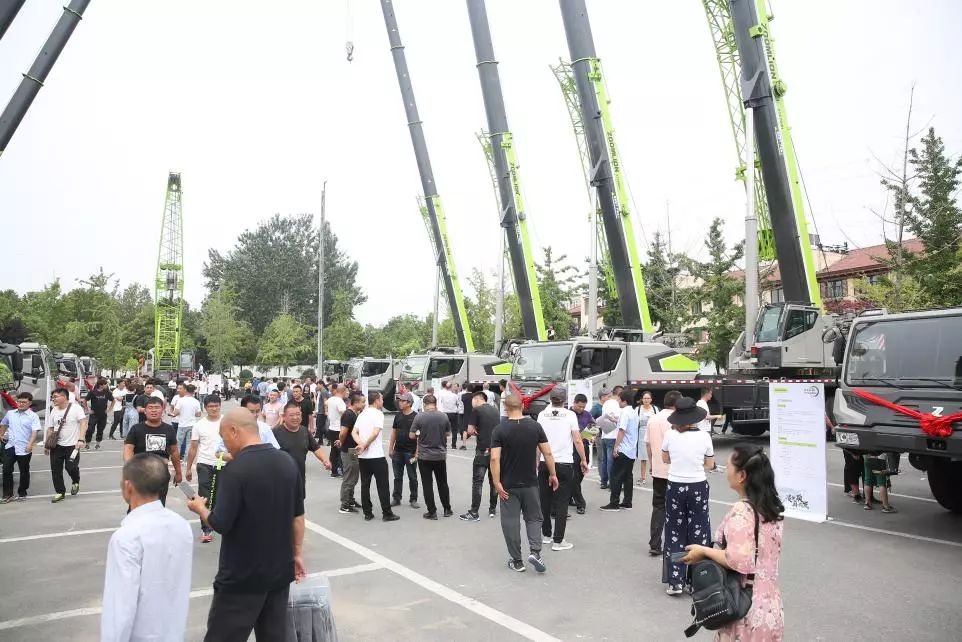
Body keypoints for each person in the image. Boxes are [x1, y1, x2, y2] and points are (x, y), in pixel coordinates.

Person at [186, 408, 306, 641]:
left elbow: (221, 523)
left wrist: (200, 508)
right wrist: (297, 554)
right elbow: (298, 517)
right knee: (273, 636)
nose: (225, 445)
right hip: (279, 572)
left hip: (242, 577)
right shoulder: (287, 462)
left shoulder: (236, 470)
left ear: (234, 431)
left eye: (224, 438)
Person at [680, 445, 785, 640]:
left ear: (742, 476)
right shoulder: (771, 510)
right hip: (771, 606)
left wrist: (703, 551)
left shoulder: (742, 511)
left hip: (745, 606)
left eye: (728, 466)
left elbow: (737, 559)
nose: (726, 470)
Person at [101, 454, 192, 641]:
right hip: (173, 634)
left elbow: (119, 610)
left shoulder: (127, 537)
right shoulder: (182, 525)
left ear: (128, 486)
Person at [491, 394, 557, 573]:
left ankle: (517, 561)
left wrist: (496, 482)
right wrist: (553, 474)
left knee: (510, 521)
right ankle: (535, 552)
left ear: (505, 408)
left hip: (508, 484)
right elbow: (547, 453)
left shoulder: (499, 429)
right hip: (530, 482)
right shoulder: (535, 426)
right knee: (534, 518)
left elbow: (495, 458)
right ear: (523, 406)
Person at [661, 396, 715, 595]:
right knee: (698, 532)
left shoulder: (670, 434)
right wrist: (695, 464)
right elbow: (710, 464)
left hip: (675, 485)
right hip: (698, 485)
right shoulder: (704, 436)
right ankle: (696, 579)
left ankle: (676, 580)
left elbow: (665, 458)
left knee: (675, 531)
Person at [536, 388, 587, 550]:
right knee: (562, 501)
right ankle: (558, 540)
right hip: (564, 462)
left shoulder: (542, 415)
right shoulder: (570, 415)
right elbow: (577, 440)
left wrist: (537, 461)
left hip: (545, 461)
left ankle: (546, 535)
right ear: (565, 400)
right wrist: (583, 459)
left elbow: (538, 441)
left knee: (544, 500)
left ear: (550, 399)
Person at [124, 397, 182, 505]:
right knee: (138, 506)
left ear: (163, 410)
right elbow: (128, 449)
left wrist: (178, 472)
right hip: (140, 473)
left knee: (159, 505)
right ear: (145, 411)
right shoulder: (136, 429)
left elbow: (174, 452)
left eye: (157, 407)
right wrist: (130, 470)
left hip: (161, 474)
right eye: (150, 408)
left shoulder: (169, 429)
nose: (154, 410)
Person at [185, 396, 227, 543]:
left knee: (220, 495)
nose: (214, 408)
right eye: (210, 406)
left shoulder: (226, 421)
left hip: (223, 463)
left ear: (220, 406)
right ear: (205, 408)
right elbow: (193, 447)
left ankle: (220, 521)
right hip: (204, 464)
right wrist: (188, 468)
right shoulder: (199, 425)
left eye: (216, 405)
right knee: (205, 495)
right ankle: (206, 528)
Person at [353, 391, 399, 522]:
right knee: (382, 485)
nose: (383, 402)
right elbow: (375, 432)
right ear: (377, 400)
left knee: (365, 485)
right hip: (377, 456)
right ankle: (387, 513)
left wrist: (361, 444)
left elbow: (354, 432)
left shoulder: (362, 414)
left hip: (363, 458)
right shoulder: (378, 414)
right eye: (382, 399)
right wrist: (365, 444)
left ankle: (367, 513)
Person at [645, 390, 680, 556]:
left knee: (658, 506)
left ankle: (655, 543)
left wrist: (652, 463)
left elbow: (648, 444)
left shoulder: (653, 419)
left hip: (658, 470)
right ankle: (674, 543)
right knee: (676, 508)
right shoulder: (678, 419)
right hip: (676, 471)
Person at [273, 402, 332, 499]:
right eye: (291, 415)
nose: (295, 417)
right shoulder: (276, 433)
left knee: (299, 504)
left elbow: (315, 448)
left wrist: (325, 460)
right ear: (284, 417)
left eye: (298, 414)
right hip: (281, 480)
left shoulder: (304, 431)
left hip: (299, 478)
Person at [460, 390, 501, 521]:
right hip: (496, 450)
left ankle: (474, 512)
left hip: (482, 450)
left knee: (478, 481)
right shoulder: (495, 410)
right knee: (494, 480)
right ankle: (492, 508)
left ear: (477, 399)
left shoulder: (476, 410)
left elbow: (470, 430)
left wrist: (475, 432)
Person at [410, 394, 453, 520]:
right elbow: (448, 433)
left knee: (427, 484)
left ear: (424, 404)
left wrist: (420, 433)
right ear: (435, 404)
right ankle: (447, 509)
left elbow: (411, 435)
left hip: (424, 456)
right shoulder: (443, 416)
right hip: (440, 455)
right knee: (442, 483)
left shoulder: (419, 417)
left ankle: (432, 512)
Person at [45, 387, 87, 503]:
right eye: (52, 397)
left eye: (55, 397)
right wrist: (47, 445)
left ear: (64, 396)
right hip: (56, 446)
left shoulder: (76, 408)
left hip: (73, 446)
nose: (53, 399)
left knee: (71, 467)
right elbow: (50, 428)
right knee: (56, 470)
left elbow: (83, 423)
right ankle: (60, 492)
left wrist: (81, 439)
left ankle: (75, 481)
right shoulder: (54, 410)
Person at [600, 390, 638, 511]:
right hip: (631, 449)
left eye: (619, 400)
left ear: (624, 401)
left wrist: (616, 447)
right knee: (628, 476)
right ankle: (627, 502)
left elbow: (622, 430)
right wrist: (614, 420)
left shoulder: (624, 412)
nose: (618, 402)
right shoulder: (633, 412)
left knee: (615, 476)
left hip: (623, 448)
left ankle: (614, 503)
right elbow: (626, 425)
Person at [1, 392, 41, 502]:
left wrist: (30, 444)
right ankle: (8, 495)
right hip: (10, 446)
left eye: (24, 402)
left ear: (30, 403)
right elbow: (4, 423)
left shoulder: (33, 416)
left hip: (24, 448)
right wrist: (1, 434)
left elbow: (35, 431)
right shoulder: (10, 413)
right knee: (6, 470)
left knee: (24, 471)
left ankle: (22, 492)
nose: (20, 404)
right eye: (19, 401)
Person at [389, 392, 419, 509]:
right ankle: (396, 498)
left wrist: (417, 452)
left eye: (402, 401)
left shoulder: (416, 417)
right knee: (397, 476)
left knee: (412, 476)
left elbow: (419, 436)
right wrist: (391, 448)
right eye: (399, 400)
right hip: (398, 451)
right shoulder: (398, 416)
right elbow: (394, 432)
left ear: (409, 403)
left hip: (410, 452)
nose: (400, 403)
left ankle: (413, 499)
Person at [336, 391, 365, 513]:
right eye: (362, 402)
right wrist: (341, 442)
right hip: (349, 450)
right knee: (349, 477)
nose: (364, 404)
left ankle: (350, 499)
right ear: (356, 403)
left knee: (354, 476)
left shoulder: (354, 414)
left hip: (353, 449)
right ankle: (345, 504)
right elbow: (343, 432)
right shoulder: (348, 415)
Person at [570, 393, 595, 515]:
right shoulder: (568, 414)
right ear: (574, 403)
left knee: (580, 474)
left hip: (584, 447)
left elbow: (593, 428)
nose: (581, 409)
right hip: (571, 448)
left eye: (583, 407)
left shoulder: (587, 414)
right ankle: (581, 503)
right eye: (579, 406)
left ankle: (570, 496)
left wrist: (591, 436)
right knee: (574, 477)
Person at [597, 387, 622, 489]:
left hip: (604, 435)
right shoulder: (615, 403)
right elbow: (618, 418)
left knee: (605, 460)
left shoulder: (605, 404)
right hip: (612, 435)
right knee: (611, 460)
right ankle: (612, 483)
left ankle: (603, 482)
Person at [171, 384, 202, 461]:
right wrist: (192, 413)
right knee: (189, 443)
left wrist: (172, 414)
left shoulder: (181, 400)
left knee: (178, 443)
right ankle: (185, 461)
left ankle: (176, 459)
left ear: (186, 390)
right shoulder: (196, 401)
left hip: (182, 425)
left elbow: (175, 412)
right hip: (192, 425)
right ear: (194, 391)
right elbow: (198, 414)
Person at [636, 390, 658, 484]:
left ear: (651, 399)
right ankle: (642, 477)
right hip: (642, 434)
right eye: (645, 398)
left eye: (648, 398)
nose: (646, 400)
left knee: (655, 456)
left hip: (653, 434)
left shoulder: (655, 409)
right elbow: (634, 423)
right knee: (643, 457)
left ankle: (656, 476)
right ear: (642, 399)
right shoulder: (638, 409)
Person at [326, 384, 347, 478]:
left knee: (334, 450)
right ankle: (342, 470)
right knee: (341, 451)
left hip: (331, 427)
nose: (347, 393)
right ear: (343, 391)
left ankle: (334, 471)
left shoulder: (331, 399)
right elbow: (343, 412)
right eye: (346, 391)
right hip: (339, 428)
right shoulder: (340, 401)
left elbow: (325, 403)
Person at [84, 378, 111, 450]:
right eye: (105, 384)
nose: (106, 385)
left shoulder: (107, 392)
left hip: (103, 415)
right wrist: (87, 409)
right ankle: (87, 443)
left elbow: (113, 400)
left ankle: (98, 444)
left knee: (100, 430)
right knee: (90, 429)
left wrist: (109, 409)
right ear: (101, 385)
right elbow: (85, 400)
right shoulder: (93, 392)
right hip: (94, 414)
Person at [437, 381, 460, 449]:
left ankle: (444, 444)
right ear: (450, 387)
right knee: (454, 429)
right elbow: (458, 404)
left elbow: (440, 403)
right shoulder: (455, 395)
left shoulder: (442, 395)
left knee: (444, 429)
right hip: (453, 413)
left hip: (445, 413)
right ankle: (454, 445)